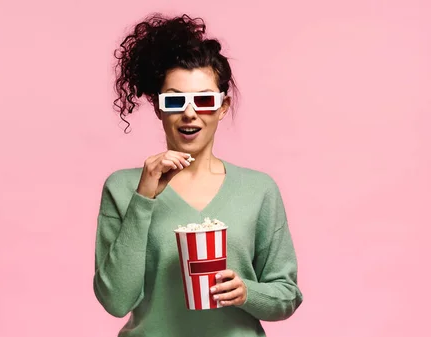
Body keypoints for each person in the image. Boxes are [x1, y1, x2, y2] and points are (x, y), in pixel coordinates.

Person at [93, 13, 303, 337]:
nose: (189, 112)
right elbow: (116, 301)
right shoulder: (123, 188)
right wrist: (143, 198)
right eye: (175, 99)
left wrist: (248, 292)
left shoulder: (259, 190)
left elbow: (287, 294)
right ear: (158, 106)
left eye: (204, 100)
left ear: (222, 107)